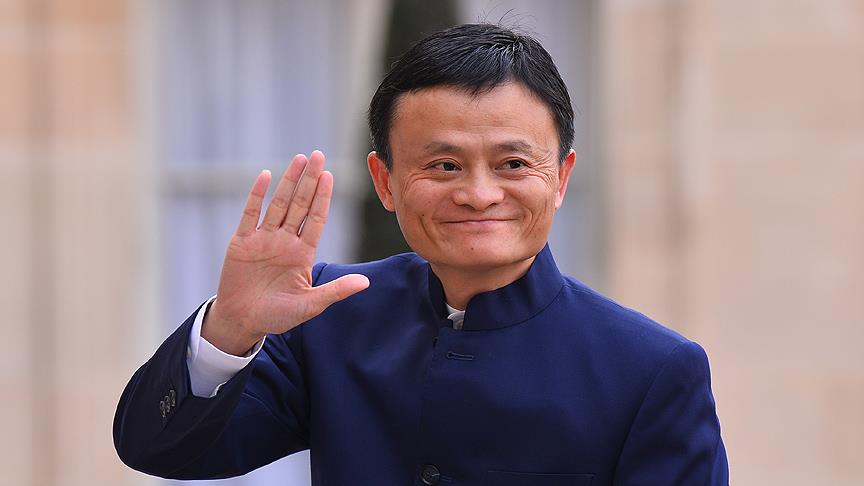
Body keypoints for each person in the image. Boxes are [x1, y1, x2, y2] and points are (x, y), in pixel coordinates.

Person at [113, 23, 728, 485]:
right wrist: (229, 330)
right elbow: (160, 450)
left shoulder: (651, 369)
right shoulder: (328, 316)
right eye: (444, 165)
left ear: (561, 177)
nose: (479, 193)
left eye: (514, 163)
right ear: (385, 182)